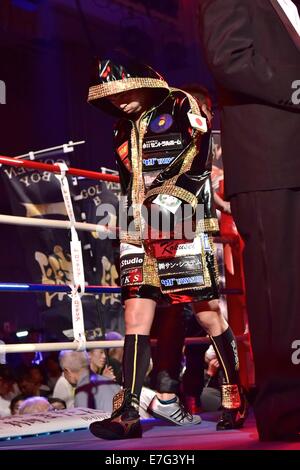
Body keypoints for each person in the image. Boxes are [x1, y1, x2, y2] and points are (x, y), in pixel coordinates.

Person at [87, 54, 245, 440]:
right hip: (135, 227)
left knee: (207, 314)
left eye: (121, 92)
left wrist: (169, 202)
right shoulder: (121, 130)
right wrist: (127, 216)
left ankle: (233, 394)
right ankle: (128, 412)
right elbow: (128, 181)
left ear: (141, 81)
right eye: (109, 97)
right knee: (135, 316)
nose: (117, 101)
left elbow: (198, 158)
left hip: (181, 223)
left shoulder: (179, 103)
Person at [199, 0, 300, 441]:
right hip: (267, 162)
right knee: (278, 290)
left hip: (290, 159)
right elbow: (229, 57)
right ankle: (285, 407)